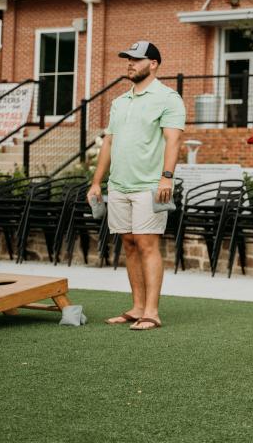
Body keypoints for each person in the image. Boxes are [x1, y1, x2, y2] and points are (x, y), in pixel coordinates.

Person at [88, 40, 185, 331]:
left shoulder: (168, 98)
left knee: (147, 244)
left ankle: (152, 312)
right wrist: (96, 183)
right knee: (129, 244)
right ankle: (137, 307)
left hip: (150, 185)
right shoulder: (119, 102)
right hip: (119, 185)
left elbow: (173, 139)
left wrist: (166, 176)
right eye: (127, 59)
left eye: (136, 59)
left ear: (152, 64)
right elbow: (109, 142)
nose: (129, 63)